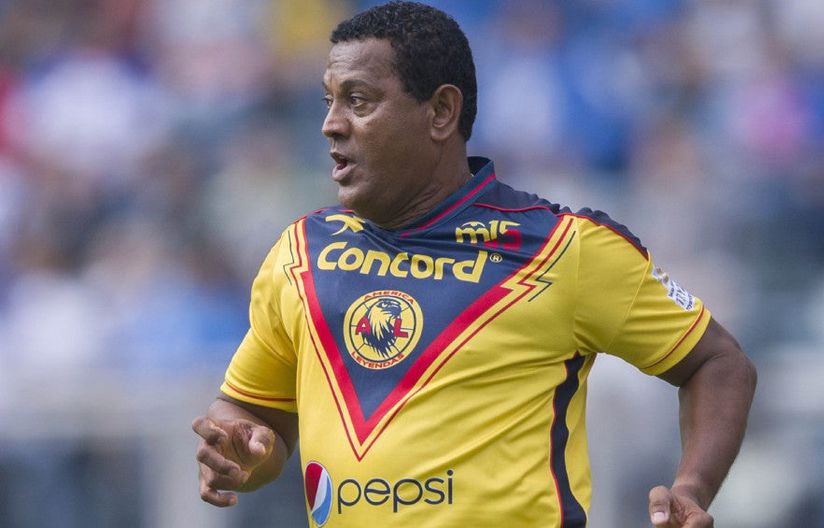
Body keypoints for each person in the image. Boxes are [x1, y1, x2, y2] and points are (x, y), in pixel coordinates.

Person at [192, 2, 757, 527]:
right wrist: (238, 450)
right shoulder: (301, 252)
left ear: (441, 112)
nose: (331, 124)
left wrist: (692, 487)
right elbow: (252, 415)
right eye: (329, 101)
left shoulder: (563, 248)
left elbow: (719, 363)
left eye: (358, 101)